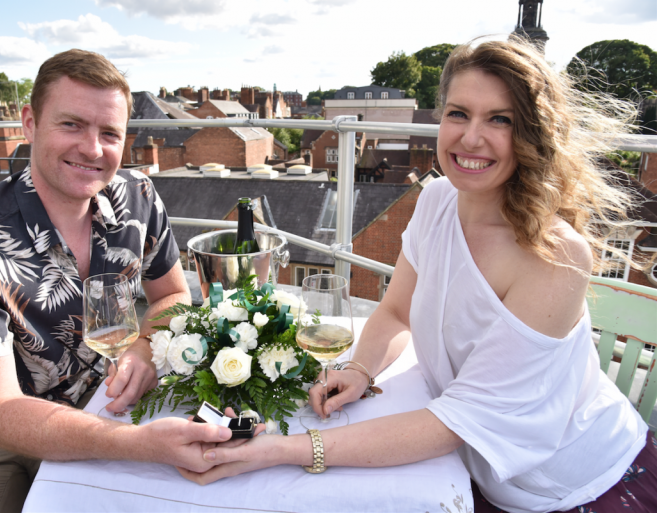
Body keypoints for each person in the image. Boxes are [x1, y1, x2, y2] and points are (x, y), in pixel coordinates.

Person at [179, 38, 657, 512]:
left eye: (500, 119)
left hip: (576, 483)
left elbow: (457, 423)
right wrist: (359, 370)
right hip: (473, 470)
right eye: (458, 113)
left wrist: (283, 450)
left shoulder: (555, 257)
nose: (471, 138)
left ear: (534, 134)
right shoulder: (436, 199)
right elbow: (395, 311)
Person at [0, 49, 239, 512]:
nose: (93, 149)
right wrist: (136, 443)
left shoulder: (139, 198)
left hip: (106, 397)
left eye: (109, 133)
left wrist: (142, 348)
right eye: (71, 124)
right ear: (30, 123)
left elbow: (172, 294)